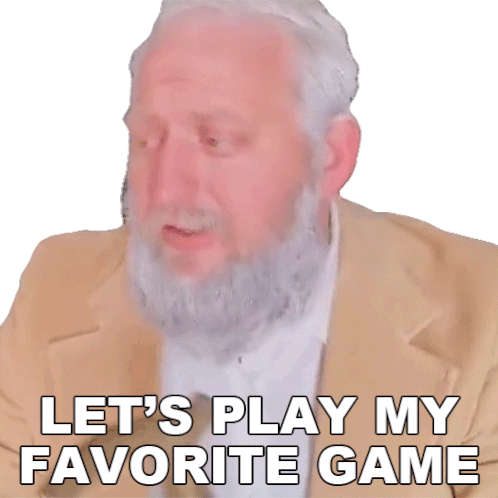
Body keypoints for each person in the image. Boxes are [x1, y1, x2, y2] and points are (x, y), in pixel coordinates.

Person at [1, 0, 497, 496]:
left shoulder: (481, 317)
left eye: (216, 141)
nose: (165, 191)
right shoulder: (56, 291)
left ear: (329, 157)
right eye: (148, 141)